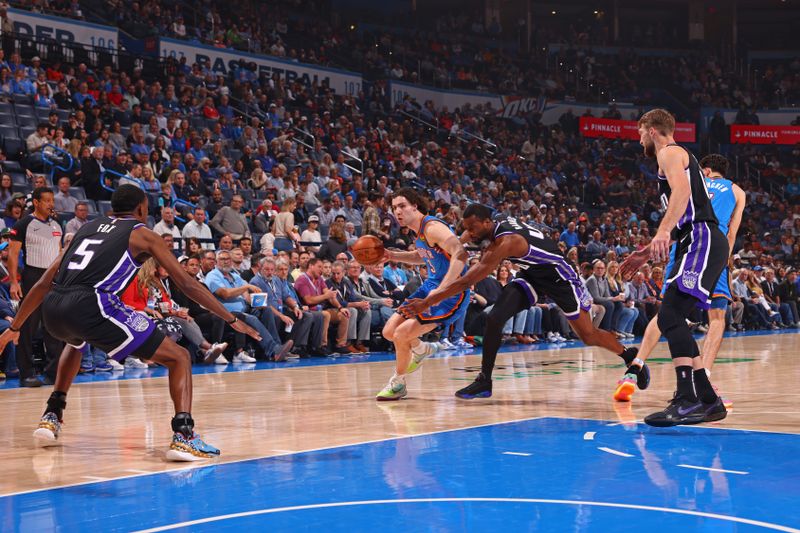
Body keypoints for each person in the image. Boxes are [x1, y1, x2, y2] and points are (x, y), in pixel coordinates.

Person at [0, 185, 261, 460]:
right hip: (94, 304)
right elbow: (186, 284)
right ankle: (184, 436)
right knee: (180, 357)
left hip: (53, 307)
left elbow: (43, 283)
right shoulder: (143, 235)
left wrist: (15, 328)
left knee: (75, 341)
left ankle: (52, 414)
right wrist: (231, 319)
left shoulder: (86, 229)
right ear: (141, 209)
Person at [401, 204, 643, 400]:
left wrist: (427, 302)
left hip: (562, 279)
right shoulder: (496, 222)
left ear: (487, 223)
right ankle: (484, 381)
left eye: (473, 228)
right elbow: (468, 234)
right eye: (467, 228)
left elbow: (466, 282)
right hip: (532, 275)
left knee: (588, 335)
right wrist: (459, 241)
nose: (470, 233)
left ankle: (628, 355)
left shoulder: (506, 242)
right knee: (494, 318)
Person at [620, 110, 729, 427]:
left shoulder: (669, 152)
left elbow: (681, 193)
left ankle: (686, 399)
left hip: (700, 237)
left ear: (652, 130)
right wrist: (645, 251)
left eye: (640, 133)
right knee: (670, 313)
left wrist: (662, 232)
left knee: (669, 314)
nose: (639, 139)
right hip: (693, 239)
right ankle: (708, 401)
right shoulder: (676, 156)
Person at [614, 154, 745, 406]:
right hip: (712, 248)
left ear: (705, 170)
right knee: (717, 316)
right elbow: (732, 231)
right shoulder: (737, 191)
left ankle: (634, 370)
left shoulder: (695, 182)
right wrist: (722, 262)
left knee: (667, 312)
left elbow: (675, 214)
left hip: (685, 244)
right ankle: (702, 377)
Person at [376, 188, 470, 401]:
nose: (397, 211)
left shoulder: (432, 227)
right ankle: (421, 348)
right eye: (394, 208)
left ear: (415, 206)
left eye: (402, 206)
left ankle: (398, 383)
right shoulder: (417, 231)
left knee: (401, 335)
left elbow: (460, 254)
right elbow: (423, 257)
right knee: (390, 331)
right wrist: (394, 255)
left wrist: (442, 290)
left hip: (451, 292)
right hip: (431, 285)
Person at [7, 187, 64, 387]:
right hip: (33, 276)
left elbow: (59, 254)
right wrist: (14, 281)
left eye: (52, 200)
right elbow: (13, 254)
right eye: (47, 200)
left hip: (54, 278)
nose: (51, 204)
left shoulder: (57, 224)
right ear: (37, 202)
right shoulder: (24, 223)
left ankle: (52, 373)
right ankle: (27, 373)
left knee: (54, 326)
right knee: (28, 326)